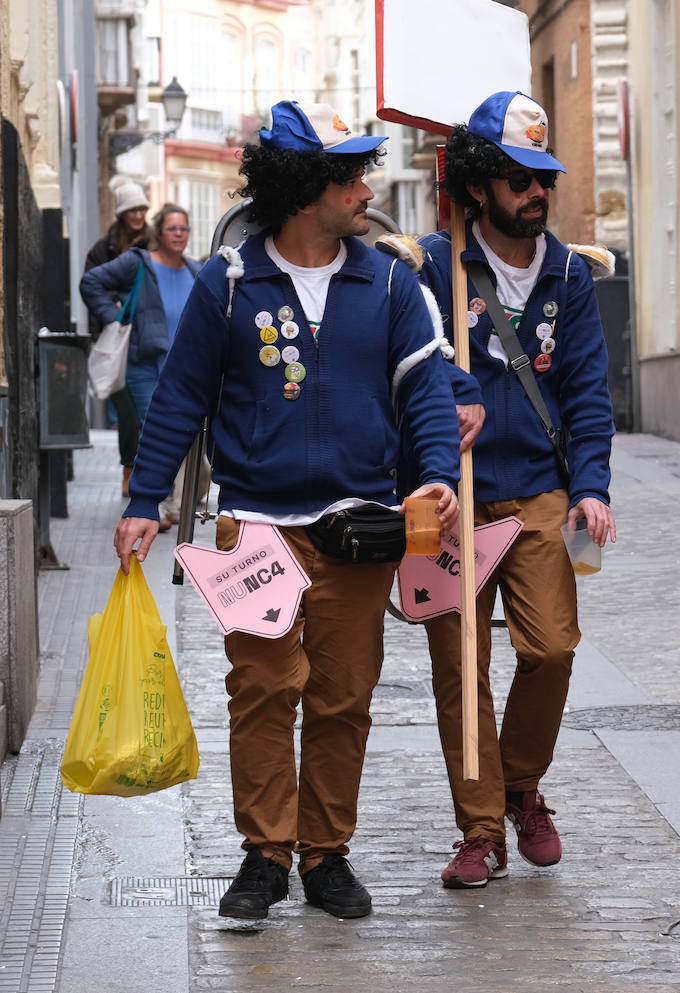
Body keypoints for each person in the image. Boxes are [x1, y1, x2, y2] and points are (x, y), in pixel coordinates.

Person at [112, 99, 469, 922]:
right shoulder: (229, 284)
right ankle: (265, 855)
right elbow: (179, 398)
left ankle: (327, 852)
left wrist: (437, 475)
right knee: (263, 689)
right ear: (306, 188)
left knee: (344, 695)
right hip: (255, 527)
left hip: (361, 525)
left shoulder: (389, 279)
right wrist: (142, 499)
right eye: (350, 173)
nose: (365, 186)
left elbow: (425, 393)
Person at [414, 90, 616, 889]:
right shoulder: (432, 264)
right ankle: (478, 829)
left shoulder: (568, 273)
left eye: (543, 178)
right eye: (520, 179)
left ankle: (521, 783)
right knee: (461, 668)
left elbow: (591, 390)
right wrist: (450, 383)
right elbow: (415, 357)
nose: (537, 193)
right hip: (452, 497)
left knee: (551, 648)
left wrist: (591, 486)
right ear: (480, 187)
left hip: (537, 488)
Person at [81, 204, 204, 529]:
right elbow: (91, 282)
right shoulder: (138, 263)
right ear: (158, 233)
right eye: (172, 228)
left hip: (184, 369)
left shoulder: (195, 271)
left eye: (184, 229)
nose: (179, 235)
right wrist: (116, 319)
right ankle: (157, 504)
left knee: (191, 438)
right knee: (157, 430)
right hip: (144, 365)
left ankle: (176, 502)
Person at [83, 176, 151, 497]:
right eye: (132, 209)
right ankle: (129, 468)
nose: (138, 215)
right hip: (116, 342)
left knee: (146, 412)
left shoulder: (155, 242)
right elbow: (92, 285)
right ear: (122, 212)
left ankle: (147, 476)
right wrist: (114, 314)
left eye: (142, 209)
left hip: (148, 342)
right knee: (127, 411)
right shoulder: (104, 248)